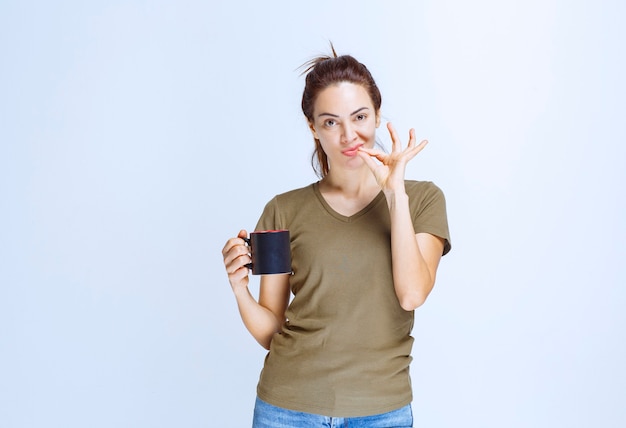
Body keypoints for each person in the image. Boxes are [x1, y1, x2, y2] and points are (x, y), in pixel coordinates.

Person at [221, 45, 451, 428]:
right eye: (330, 122)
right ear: (313, 127)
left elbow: (412, 294)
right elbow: (271, 331)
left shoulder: (423, 199)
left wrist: (395, 195)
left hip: (382, 412)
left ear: (377, 114)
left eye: (360, 116)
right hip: (286, 410)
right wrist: (239, 288)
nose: (349, 135)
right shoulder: (283, 211)